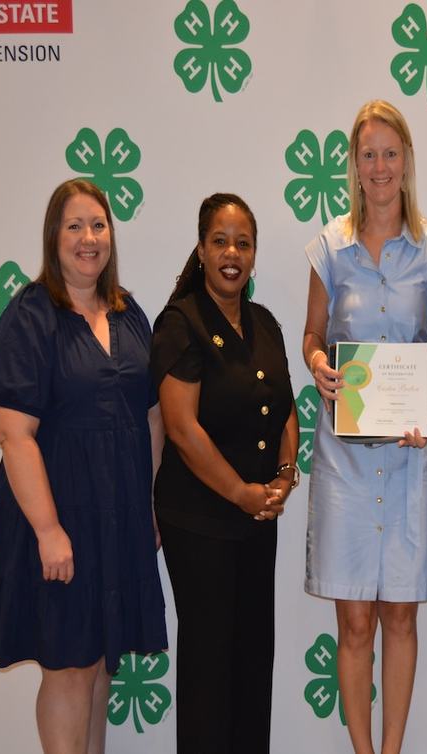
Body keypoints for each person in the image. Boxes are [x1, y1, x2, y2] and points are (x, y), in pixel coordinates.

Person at [0, 178, 168, 754]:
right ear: (54, 237)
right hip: (59, 521)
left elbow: (152, 417)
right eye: (75, 226)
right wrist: (48, 530)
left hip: (119, 517)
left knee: (99, 663)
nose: (89, 238)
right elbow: (13, 435)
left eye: (98, 225)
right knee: (68, 667)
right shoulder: (30, 315)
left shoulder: (129, 313)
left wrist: (149, 507)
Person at [303, 100, 427, 754]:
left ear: (407, 160)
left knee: (399, 618)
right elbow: (313, 335)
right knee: (355, 625)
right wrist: (317, 364)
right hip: (344, 463)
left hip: (408, 459)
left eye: (390, 153)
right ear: (354, 165)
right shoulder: (329, 248)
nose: (380, 166)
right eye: (368, 154)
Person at [151, 193, 299, 753]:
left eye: (243, 243)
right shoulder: (180, 323)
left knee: (254, 662)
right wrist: (240, 492)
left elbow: (284, 407)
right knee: (209, 669)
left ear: (254, 253)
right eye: (220, 242)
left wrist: (284, 475)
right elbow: (181, 428)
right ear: (201, 250)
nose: (232, 254)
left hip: (258, 520)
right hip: (201, 523)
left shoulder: (265, 323)